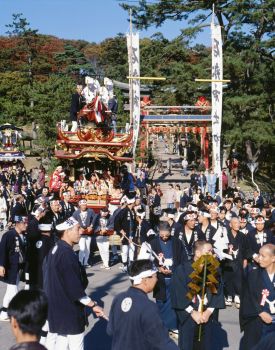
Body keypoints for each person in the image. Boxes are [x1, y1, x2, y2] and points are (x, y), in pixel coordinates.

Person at [43, 216, 104, 350]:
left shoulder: (57, 248)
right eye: (77, 229)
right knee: (76, 345)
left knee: (61, 343)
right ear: (67, 231)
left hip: (57, 307)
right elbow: (74, 288)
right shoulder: (66, 254)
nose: (81, 231)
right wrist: (92, 304)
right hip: (68, 309)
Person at [107, 259, 178, 350]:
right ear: (145, 280)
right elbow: (162, 342)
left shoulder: (118, 299)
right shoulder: (148, 307)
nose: (157, 279)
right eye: (155, 276)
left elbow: (110, 330)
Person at [171, 240, 225, 350]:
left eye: (212, 251)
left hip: (206, 315)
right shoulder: (182, 270)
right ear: (198, 253)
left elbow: (216, 292)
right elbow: (179, 293)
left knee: (206, 345)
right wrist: (192, 312)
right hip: (189, 314)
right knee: (188, 345)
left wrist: (208, 312)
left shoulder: (213, 269)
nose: (212, 254)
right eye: (208, 251)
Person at [240, 244, 275, 350]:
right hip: (257, 321)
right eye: (259, 255)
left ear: (273, 258)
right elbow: (247, 297)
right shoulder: (253, 274)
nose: (259, 258)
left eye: (263, 256)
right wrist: (260, 312)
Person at [0, 216, 28, 321]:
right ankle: (17, 312)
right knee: (13, 289)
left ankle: (4, 313)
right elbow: (2, 250)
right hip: (11, 266)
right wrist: (1, 265)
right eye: (24, 223)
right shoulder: (9, 235)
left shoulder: (23, 235)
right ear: (18, 223)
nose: (26, 225)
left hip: (19, 266)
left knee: (11, 289)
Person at [72, 199, 95, 267]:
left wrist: (91, 226)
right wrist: (79, 227)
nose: (84, 206)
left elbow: (95, 218)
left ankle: (86, 262)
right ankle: (80, 262)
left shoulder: (90, 211)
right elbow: (73, 221)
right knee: (82, 248)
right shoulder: (76, 213)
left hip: (88, 232)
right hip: (80, 232)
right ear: (79, 205)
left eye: (85, 205)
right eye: (82, 205)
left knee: (87, 248)